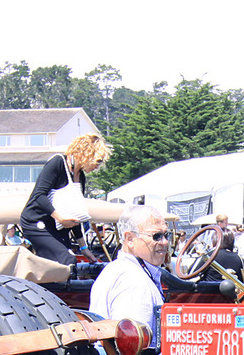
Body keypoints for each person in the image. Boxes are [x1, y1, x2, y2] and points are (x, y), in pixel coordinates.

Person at [17, 133, 111, 265]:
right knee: (66, 260)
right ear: (87, 154)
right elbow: (39, 195)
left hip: (58, 226)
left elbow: (75, 215)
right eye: (98, 161)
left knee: (71, 260)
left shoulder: (80, 177)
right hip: (36, 222)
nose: (97, 166)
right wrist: (59, 218)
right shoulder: (58, 163)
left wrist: (84, 248)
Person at [90, 205, 167, 328]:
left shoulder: (117, 269)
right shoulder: (134, 280)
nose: (165, 242)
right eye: (156, 236)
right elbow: (132, 341)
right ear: (130, 239)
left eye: (165, 235)